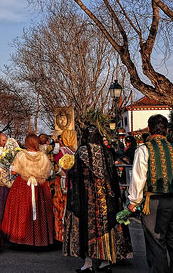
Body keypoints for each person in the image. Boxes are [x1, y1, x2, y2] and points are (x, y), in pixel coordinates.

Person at [63, 125, 132, 272]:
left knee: (87, 229)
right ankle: (105, 261)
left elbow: (74, 175)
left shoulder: (81, 152)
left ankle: (88, 263)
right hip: (106, 198)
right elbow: (113, 175)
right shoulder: (107, 152)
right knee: (105, 228)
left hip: (86, 198)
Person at [127, 114, 173, 272]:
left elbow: (138, 178)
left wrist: (133, 202)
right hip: (172, 201)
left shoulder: (143, 150)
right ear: (166, 130)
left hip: (152, 202)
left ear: (148, 129)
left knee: (156, 243)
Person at [2, 133, 54, 247]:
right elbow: (49, 173)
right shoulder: (43, 156)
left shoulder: (21, 155)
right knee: (40, 210)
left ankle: (20, 238)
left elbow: (14, 171)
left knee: (22, 210)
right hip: (39, 186)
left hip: (23, 185)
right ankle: (40, 239)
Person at [52, 130, 76, 242]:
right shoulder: (75, 151)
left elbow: (57, 168)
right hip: (73, 183)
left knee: (60, 208)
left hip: (61, 182)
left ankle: (60, 234)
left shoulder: (60, 152)